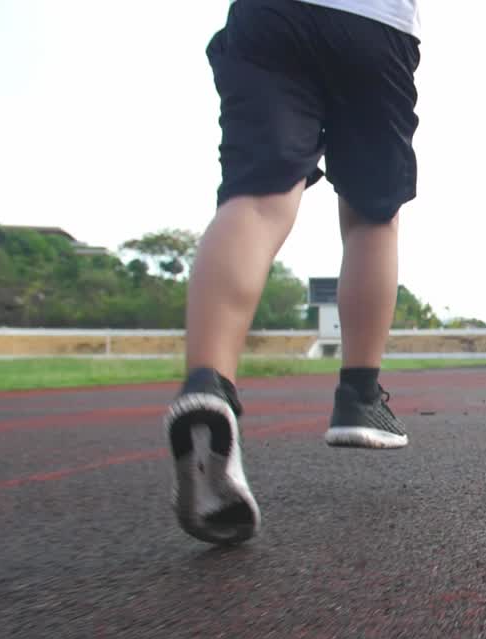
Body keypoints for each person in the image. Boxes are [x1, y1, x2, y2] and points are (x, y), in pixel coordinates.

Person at [164, 0, 421, 544]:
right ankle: (359, 395)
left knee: (257, 198)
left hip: (271, 18)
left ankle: (208, 385)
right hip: (375, 24)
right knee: (373, 213)